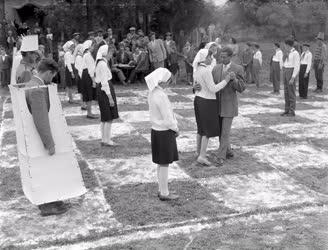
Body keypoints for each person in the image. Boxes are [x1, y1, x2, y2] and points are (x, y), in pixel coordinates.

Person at [17, 58, 86, 216]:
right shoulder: (38, 89)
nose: (52, 79)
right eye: (53, 76)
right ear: (48, 72)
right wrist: (49, 143)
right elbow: (41, 119)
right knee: (45, 169)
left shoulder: (32, 83)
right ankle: (46, 205)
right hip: (40, 140)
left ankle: (52, 199)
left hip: (34, 139)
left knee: (46, 169)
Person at [196, 47, 245, 166]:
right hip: (215, 105)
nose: (222, 59)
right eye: (220, 57)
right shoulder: (216, 68)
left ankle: (221, 156)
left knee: (225, 132)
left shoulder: (238, 68)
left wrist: (234, 80)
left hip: (229, 106)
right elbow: (209, 84)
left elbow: (242, 88)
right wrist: (195, 87)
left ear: (231, 56)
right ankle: (227, 151)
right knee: (220, 131)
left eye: (224, 57)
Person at [145, 67, 179, 201]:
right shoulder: (161, 95)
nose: (169, 83)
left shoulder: (152, 92)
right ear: (163, 81)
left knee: (161, 163)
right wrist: (175, 128)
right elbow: (168, 118)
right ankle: (164, 193)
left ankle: (162, 189)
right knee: (164, 163)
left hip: (156, 131)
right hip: (164, 132)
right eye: (169, 81)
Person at [193, 49, 231, 166]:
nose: (212, 59)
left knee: (200, 129)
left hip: (198, 99)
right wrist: (226, 80)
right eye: (210, 57)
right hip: (207, 102)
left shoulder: (197, 69)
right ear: (204, 58)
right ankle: (202, 156)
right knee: (207, 131)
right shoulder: (206, 71)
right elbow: (213, 88)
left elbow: (196, 86)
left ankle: (198, 152)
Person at [95, 45, 119, 146]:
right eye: (110, 53)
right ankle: (107, 140)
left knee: (105, 116)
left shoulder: (101, 63)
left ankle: (104, 139)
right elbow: (104, 83)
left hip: (102, 89)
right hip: (105, 90)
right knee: (109, 117)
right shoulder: (103, 64)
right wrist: (110, 98)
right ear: (105, 53)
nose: (111, 55)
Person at [281, 39, 300, 117]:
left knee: (291, 92)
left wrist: (293, 77)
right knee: (286, 92)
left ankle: (292, 111)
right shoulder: (287, 53)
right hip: (285, 71)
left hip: (291, 71)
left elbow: (297, 66)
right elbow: (284, 62)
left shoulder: (295, 53)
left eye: (285, 45)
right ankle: (287, 109)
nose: (284, 46)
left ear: (288, 45)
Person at [81, 40, 98, 118]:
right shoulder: (88, 55)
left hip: (86, 74)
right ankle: (89, 113)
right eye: (93, 46)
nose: (94, 47)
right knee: (89, 94)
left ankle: (89, 112)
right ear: (89, 46)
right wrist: (93, 81)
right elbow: (90, 69)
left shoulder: (87, 55)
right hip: (88, 75)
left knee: (89, 94)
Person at [74, 44, 86, 109]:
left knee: (83, 91)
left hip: (82, 76)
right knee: (82, 92)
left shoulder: (81, 57)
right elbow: (80, 69)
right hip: (81, 76)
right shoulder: (79, 57)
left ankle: (84, 104)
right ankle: (83, 105)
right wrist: (83, 78)